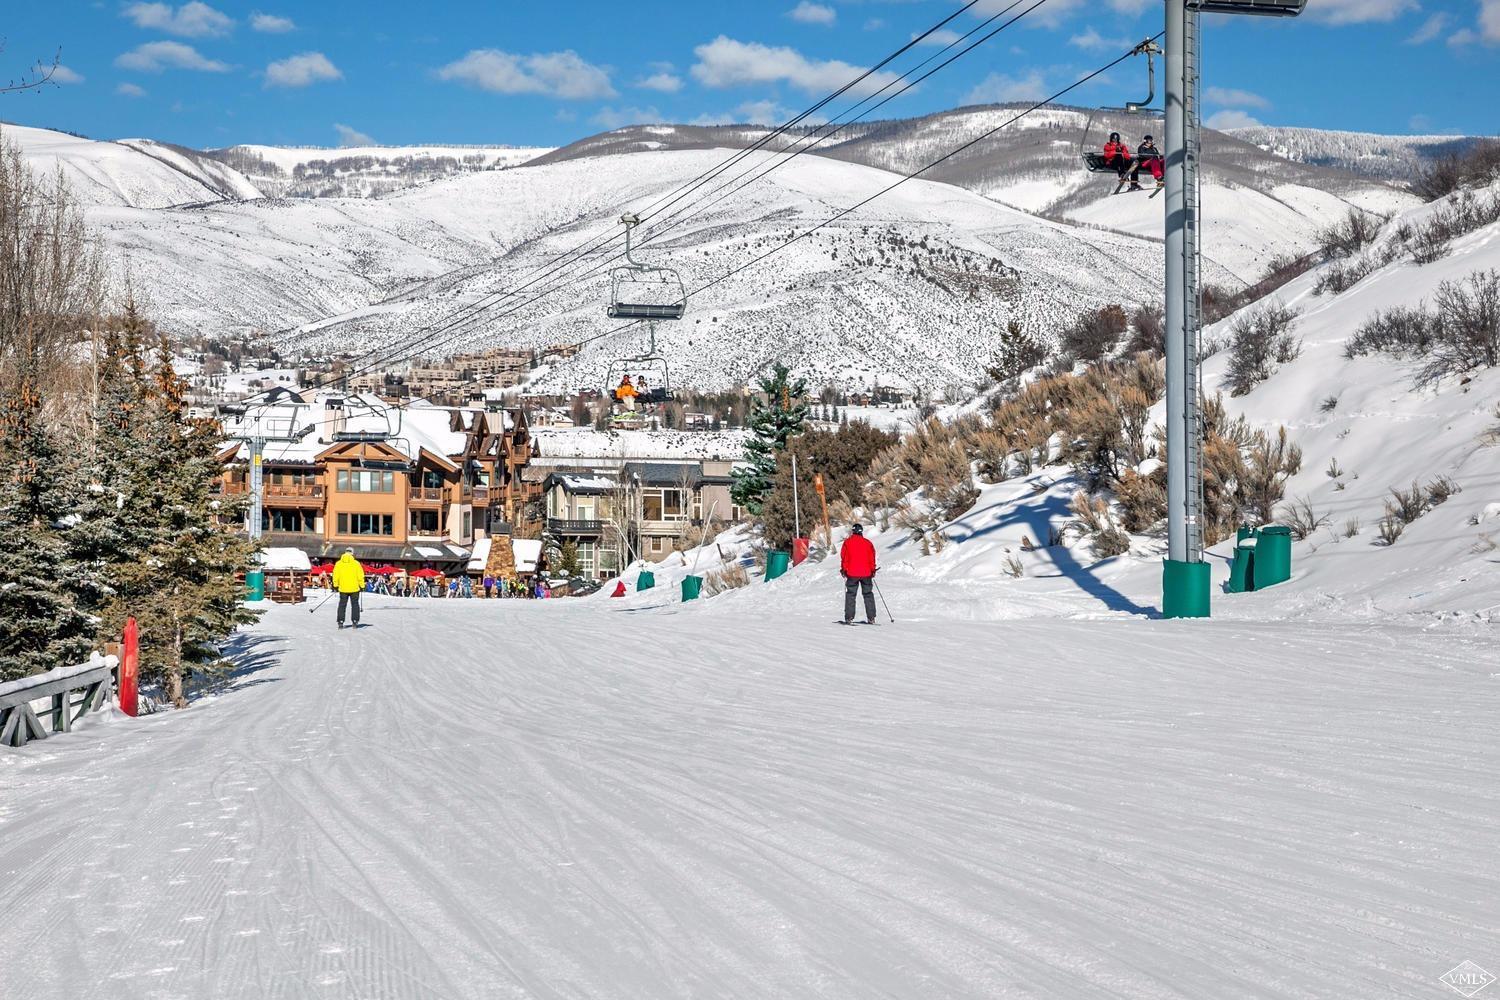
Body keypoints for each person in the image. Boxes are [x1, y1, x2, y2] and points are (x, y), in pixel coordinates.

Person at [839, 523, 878, 625]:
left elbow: (844, 557)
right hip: (866, 573)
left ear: (853, 531)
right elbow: (872, 558)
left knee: (851, 594)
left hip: (852, 573)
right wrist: (872, 570)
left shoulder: (847, 543)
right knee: (868, 594)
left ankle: (849, 617)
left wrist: (843, 569)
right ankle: (871, 618)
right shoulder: (868, 543)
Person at [331, 548, 365, 629]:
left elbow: (335, 575)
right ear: (352, 554)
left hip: (343, 588)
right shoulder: (356, 563)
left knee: (342, 605)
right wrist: (362, 585)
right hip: (354, 588)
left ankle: (340, 621)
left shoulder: (338, 563)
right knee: (355, 605)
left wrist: (335, 585)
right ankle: (355, 621)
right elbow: (360, 575)